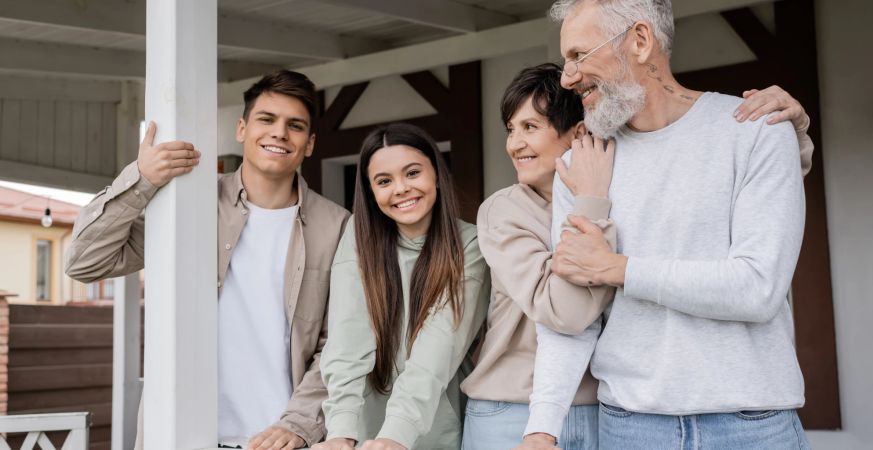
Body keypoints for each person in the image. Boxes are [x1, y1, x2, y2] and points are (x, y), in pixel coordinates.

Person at [466, 62, 813, 450]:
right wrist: (542, 427)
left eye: (530, 127)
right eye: (511, 129)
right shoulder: (521, 206)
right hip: (581, 411)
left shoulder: (611, 171)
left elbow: (740, 207)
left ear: (580, 133)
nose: (514, 143)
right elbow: (568, 318)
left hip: (737, 413)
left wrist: (792, 136)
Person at [65, 70, 350, 450]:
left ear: (309, 143)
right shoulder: (188, 207)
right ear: (241, 129)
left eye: (294, 126)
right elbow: (84, 261)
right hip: (185, 436)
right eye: (267, 119)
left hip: (286, 440)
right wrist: (142, 180)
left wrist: (299, 425)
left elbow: (341, 343)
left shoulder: (338, 227)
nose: (279, 133)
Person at [311, 123, 491, 450]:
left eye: (412, 173)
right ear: (370, 192)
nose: (401, 189)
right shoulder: (358, 237)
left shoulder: (471, 245)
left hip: (436, 431)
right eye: (384, 181)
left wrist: (396, 435)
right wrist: (340, 432)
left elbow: (438, 348)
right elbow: (348, 338)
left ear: (436, 173)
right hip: (359, 434)